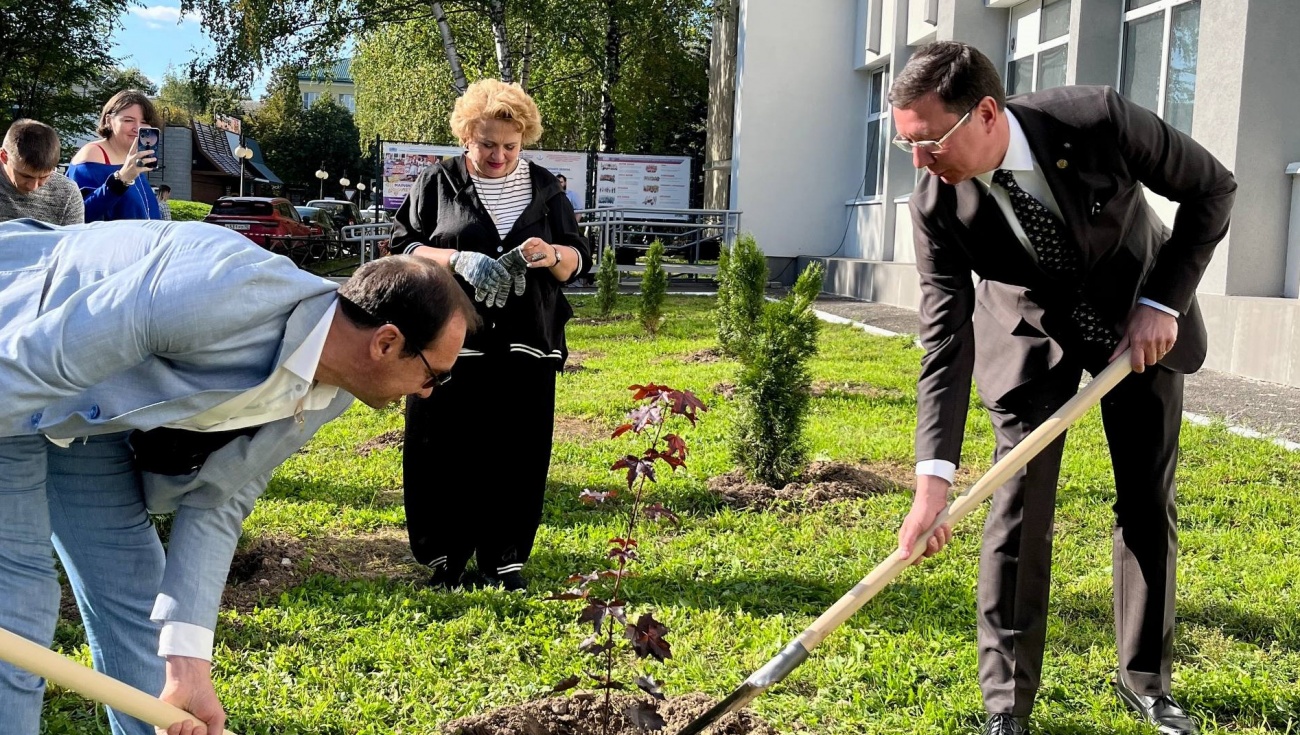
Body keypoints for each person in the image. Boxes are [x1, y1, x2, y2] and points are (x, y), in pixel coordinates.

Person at [0, 218, 478, 735]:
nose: (429, 392)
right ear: (386, 343)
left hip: (82, 412)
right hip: (16, 349)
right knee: (20, 605)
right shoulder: (218, 290)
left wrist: (189, 667)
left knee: (136, 587)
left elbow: (220, 500)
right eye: (434, 373)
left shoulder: (329, 391)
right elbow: (36, 359)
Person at [890, 43, 1234, 735]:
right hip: (1027, 327)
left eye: (929, 142)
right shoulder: (934, 202)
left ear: (986, 113)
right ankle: (1006, 705)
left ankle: (1147, 682)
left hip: (1139, 318)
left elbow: (1212, 189)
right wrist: (933, 480)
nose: (921, 162)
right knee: (1017, 503)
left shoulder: (1097, 120)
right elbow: (946, 338)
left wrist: (1163, 303)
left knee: (1144, 495)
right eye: (907, 147)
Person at [390, 78, 592, 591]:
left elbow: (577, 260)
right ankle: (446, 561)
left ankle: (504, 562)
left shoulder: (547, 189)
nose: (499, 155)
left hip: (527, 342)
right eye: (487, 144)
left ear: (524, 139)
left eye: (510, 145)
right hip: (448, 344)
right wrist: (458, 258)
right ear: (465, 137)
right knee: (442, 449)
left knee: (518, 452)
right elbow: (404, 249)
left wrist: (550, 255)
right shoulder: (436, 184)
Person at [66, 90, 162, 221]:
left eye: (144, 122)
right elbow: (79, 215)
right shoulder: (93, 154)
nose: (137, 128)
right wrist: (122, 179)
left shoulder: (132, 159)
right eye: (128, 120)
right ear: (109, 121)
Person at [0, 119, 84, 224]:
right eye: (26, 176)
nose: (33, 186)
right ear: (4, 156)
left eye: (44, 177)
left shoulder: (67, 192)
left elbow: (72, 239)